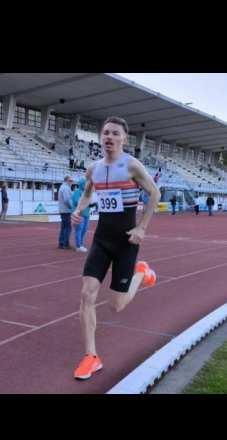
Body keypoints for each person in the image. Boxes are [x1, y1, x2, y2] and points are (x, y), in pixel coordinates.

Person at [71, 117, 160, 380]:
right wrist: (78, 210)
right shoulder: (93, 169)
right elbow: (88, 194)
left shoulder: (131, 165)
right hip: (101, 239)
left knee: (116, 306)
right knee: (87, 294)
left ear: (124, 139)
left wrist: (141, 227)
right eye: (105, 133)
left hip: (126, 242)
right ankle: (91, 357)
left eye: (115, 134)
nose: (109, 137)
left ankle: (141, 273)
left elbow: (154, 193)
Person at [72, 178, 91, 253]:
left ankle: (81, 244)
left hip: (87, 213)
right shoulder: (77, 191)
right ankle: (78, 246)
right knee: (79, 229)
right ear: (82, 184)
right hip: (80, 214)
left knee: (84, 229)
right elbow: (77, 201)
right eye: (85, 184)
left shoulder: (86, 192)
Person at [58, 176, 73, 250]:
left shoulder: (62, 187)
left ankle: (61, 242)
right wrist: (72, 207)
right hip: (66, 210)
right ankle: (65, 243)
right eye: (70, 180)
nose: (72, 182)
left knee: (64, 227)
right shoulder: (65, 188)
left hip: (63, 210)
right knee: (68, 228)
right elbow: (67, 200)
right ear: (67, 180)